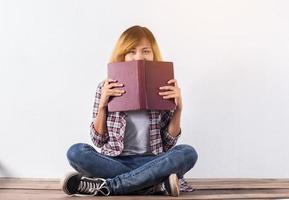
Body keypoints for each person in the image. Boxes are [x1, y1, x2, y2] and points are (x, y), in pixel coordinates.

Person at [61, 25, 198, 197]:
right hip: (114, 161)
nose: (138, 57)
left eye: (145, 51)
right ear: (122, 55)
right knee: (76, 152)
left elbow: (168, 143)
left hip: (153, 160)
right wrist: (103, 106)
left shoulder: (164, 86)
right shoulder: (105, 87)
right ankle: (154, 185)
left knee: (187, 153)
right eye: (131, 51)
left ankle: (109, 186)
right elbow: (98, 140)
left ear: (153, 54)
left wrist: (178, 109)